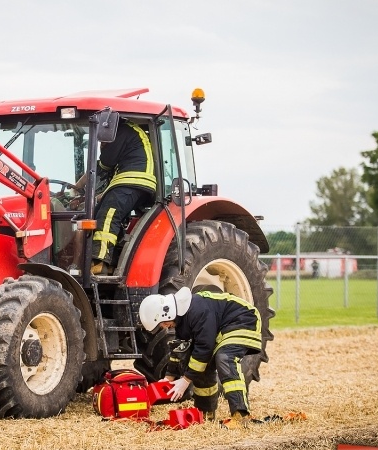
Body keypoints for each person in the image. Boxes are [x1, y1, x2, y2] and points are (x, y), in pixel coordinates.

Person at [138, 286, 263, 429]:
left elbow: (204, 348)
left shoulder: (197, 311)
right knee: (202, 366)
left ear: (166, 313)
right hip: (224, 327)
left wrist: (185, 381)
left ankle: (240, 416)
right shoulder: (181, 321)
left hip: (244, 319)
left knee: (224, 358)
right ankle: (205, 413)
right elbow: (180, 351)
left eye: (161, 323)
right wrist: (169, 378)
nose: (164, 327)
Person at [75, 121, 156, 275]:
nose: (100, 142)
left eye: (100, 139)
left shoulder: (121, 130)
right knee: (98, 212)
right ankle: (112, 262)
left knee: (107, 215)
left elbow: (105, 163)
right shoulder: (130, 135)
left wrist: (79, 188)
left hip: (134, 179)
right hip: (132, 181)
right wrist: (79, 189)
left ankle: (99, 261)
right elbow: (102, 169)